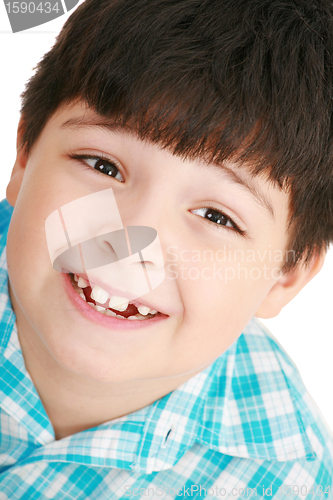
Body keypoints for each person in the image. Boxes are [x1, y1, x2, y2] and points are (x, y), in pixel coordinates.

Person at [0, 0, 332, 497]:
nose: (131, 241)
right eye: (102, 165)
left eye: (217, 217)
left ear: (285, 274)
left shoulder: (286, 485)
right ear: (24, 156)